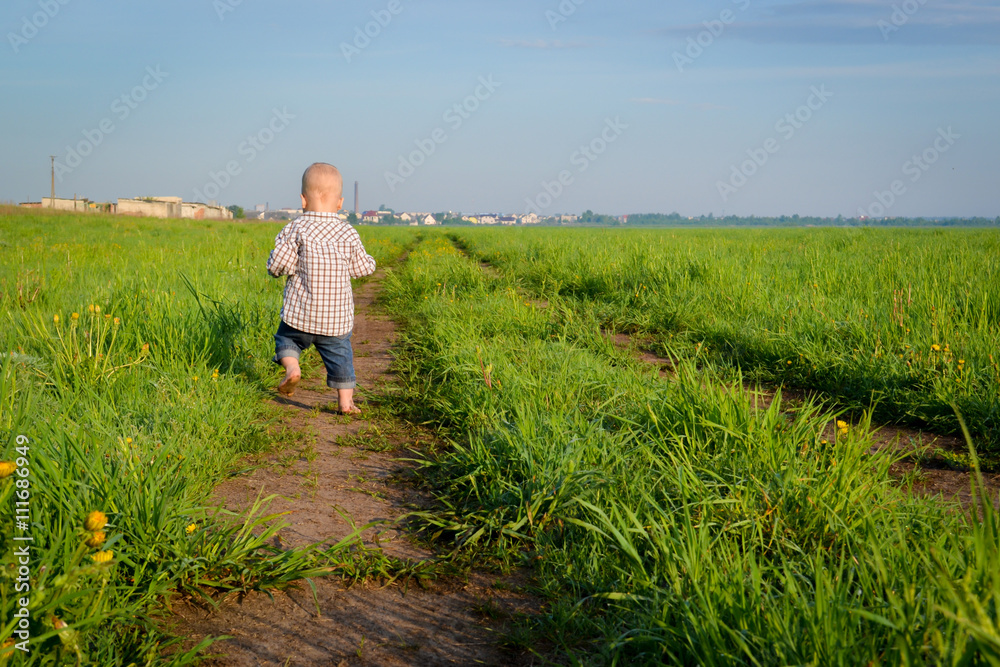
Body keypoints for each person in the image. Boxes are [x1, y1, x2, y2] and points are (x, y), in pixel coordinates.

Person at [266, 162, 376, 414]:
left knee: (286, 339)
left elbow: (278, 266)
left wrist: (281, 267)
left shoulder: (295, 228)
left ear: (303, 200)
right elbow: (362, 269)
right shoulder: (347, 232)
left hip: (300, 314)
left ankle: (293, 368)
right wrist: (369, 262)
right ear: (340, 202)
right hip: (335, 320)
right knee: (341, 357)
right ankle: (345, 402)